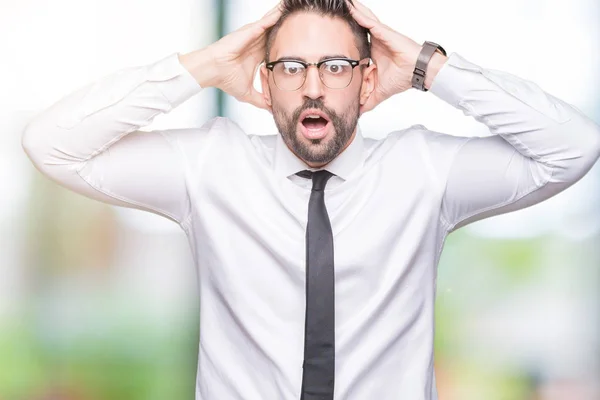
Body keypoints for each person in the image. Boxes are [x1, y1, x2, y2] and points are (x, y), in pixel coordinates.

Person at [21, 0, 600, 398]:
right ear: (266, 81)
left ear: (368, 81)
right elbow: (52, 145)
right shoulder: (209, 167)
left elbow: (572, 147)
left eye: (337, 66)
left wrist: (429, 67)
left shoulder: (423, 170)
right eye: (292, 66)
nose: (315, 86)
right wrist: (200, 69)